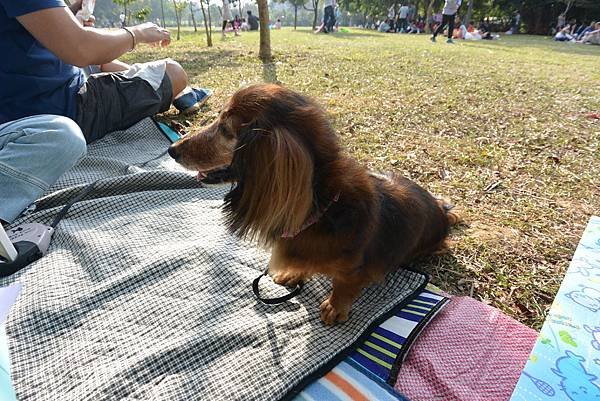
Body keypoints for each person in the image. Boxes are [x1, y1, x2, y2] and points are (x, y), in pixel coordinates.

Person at [0, 0, 212, 224]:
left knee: (104, 62)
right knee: (173, 71)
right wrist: (137, 33)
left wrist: (69, 15)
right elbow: (81, 48)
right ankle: (181, 91)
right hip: (63, 104)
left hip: (27, 94)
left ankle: (173, 90)